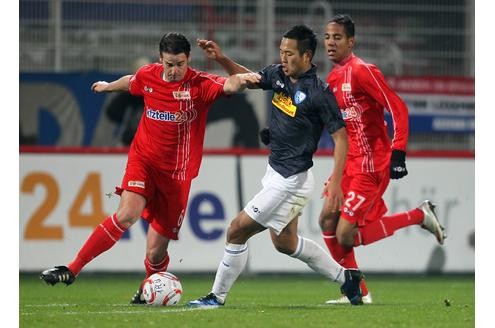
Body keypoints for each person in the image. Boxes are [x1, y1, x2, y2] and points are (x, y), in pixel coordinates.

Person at [39, 32, 262, 304]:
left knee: (156, 253)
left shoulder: (200, 84)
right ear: (161, 59)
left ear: (188, 59)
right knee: (126, 214)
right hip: (143, 161)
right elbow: (131, 82)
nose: (174, 70)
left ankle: (149, 288)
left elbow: (232, 85)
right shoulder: (149, 75)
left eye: (180, 63)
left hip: (177, 176)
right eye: (169, 64)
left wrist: (233, 69)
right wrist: (108, 86)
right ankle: (72, 269)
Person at [187, 25, 364, 308]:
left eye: (290, 53)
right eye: (281, 52)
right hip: (275, 173)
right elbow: (248, 79)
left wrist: (338, 181)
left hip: (291, 179)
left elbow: (341, 137)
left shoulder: (319, 92)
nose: (283, 58)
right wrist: (221, 59)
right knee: (285, 243)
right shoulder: (279, 75)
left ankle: (215, 297)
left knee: (236, 230)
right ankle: (346, 278)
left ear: (307, 56)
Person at [319, 14, 447, 304]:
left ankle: (417, 215)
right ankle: (356, 292)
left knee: (345, 235)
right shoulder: (333, 78)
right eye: (327, 37)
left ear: (351, 41)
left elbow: (398, 108)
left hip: (372, 165)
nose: (330, 43)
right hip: (350, 164)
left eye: (337, 37)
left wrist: (398, 151)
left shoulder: (363, 71)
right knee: (326, 218)